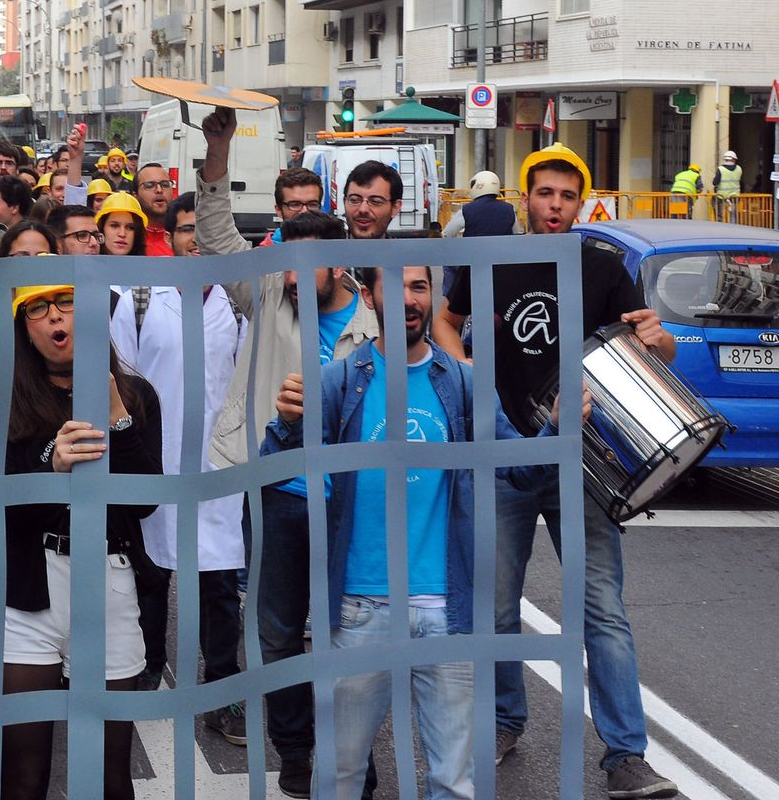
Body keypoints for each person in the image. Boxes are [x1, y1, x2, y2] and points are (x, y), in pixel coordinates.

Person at [433, 144, 680, 799]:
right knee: (495, 602)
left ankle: (627, 756)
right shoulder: (492, 261)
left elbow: (651, 346)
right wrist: (475, 392)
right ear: (525, 196)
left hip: (582, 457)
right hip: (507, 453)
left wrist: (662, 340)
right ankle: (505, 719)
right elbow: (445, 322)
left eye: (568, 196)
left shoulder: (603, 266)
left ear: (581, 202)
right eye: (544, 192)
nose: (555, 205)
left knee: (602, 609)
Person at [265, 263, 561, 800]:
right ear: (370, 294)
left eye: (419, 286)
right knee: (338, 775)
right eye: (393, 285)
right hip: (360, 607)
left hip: (447, 610)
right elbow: (278, 469)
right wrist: (286, 424)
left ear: (433, 296)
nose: (406, 298)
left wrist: (558, 430)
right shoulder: (337, 380)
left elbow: (519, 469)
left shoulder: (468, 384)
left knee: (454, 782)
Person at [197, 106, 377, 797]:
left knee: (349, 637)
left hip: (351, 501)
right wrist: (218, 151)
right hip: (275, 492)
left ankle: (355, 759)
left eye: (313, 260)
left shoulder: (373, 318)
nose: (299, 273)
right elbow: (215, 235)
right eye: (291, 259)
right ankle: (298, 752)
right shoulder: (267, 290)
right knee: (276, 636)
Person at [0, 283, 162, 800]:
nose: (56, 317)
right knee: (23, 776)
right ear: (24, 329)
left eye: (67, 303)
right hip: (27, 590)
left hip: (107, 582)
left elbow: (145, 500)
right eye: (38, 308)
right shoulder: (3, 402)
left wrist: (116, 414)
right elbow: (4, 505)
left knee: (107, 776)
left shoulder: (137, 395)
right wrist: (49, 466)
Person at [110, 193, 247, 725]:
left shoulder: (236, 303)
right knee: (150, 573)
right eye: (186, 230)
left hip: (219, 465)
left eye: (204, 230)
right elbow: (122, 380)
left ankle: (220, 681)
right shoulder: (143, 298)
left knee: (217, 579)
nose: (197, 240)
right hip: (155, 459)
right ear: (170, 238)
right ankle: (149, 663)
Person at [260, 165, 327, 245]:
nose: (304, 211)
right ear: (279, 210)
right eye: (295, 205)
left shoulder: (335, 250)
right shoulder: (262, 255)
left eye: (312, 204)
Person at [442, 171, 518, 239]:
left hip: (474, 252)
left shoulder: (467, 210)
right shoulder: (509, 209)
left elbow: (447, 233)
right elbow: (516, 233)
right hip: (503, 253)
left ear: (477, 186)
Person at [132, 164, 175, 255]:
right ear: (135, 196)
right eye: (150, 185)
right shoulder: (127, 237)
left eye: (165, 184)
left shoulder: (184, 234)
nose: (159, 190)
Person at [97, 191, 147, 257]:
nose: (122, 234)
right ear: (101, 229)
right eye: (114, 226)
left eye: (130, 228)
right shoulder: (85, 265)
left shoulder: (149, 266)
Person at [713, 150, 743, 221]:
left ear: (725, 159)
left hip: (722, 196)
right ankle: (734, 228)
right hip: (734, 196)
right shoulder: (739, 169)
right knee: (733, 215)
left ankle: (721, 227)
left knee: (720, 215)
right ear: (734, 159)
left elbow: (715, 182)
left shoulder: (721, 169)